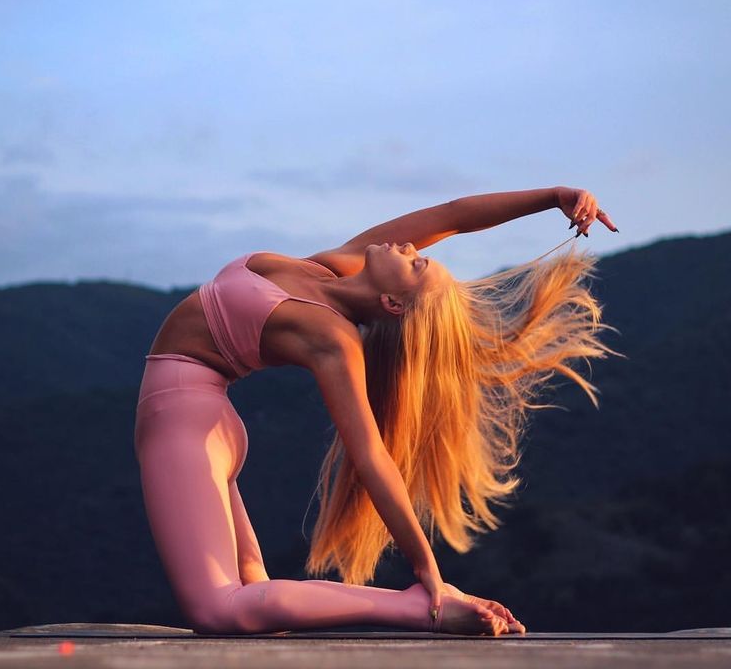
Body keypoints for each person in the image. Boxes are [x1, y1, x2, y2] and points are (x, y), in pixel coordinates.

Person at [134, 185, 619, 636]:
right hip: (203, 419)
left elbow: (370, 456)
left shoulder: (332, 338)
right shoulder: (328, 269)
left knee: (219, 610)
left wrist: (429, 574)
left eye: (417, 266)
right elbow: (451, 217)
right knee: (252, 596)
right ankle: (419, 604)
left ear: (391, 301)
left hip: (183, 422)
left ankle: (416, 608)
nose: (411, 249)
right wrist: (555, 196)